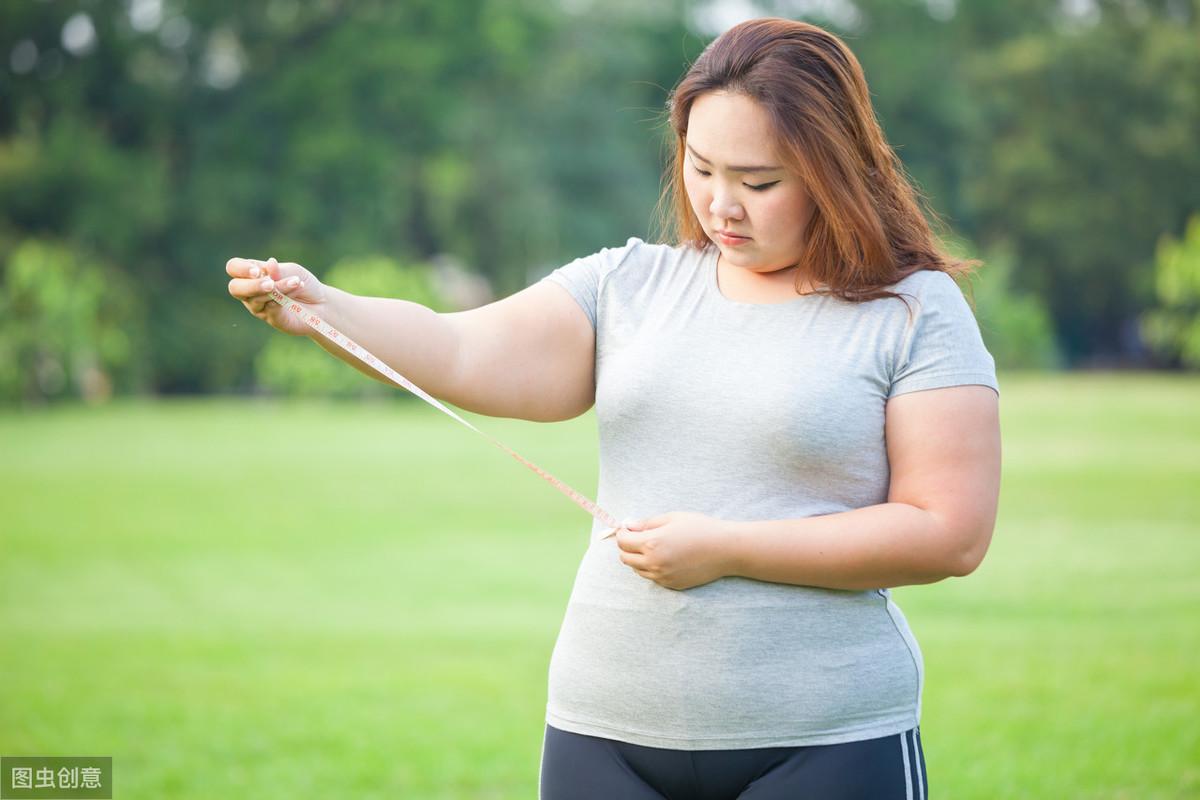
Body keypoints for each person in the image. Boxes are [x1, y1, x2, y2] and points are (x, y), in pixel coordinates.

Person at [226, 16, 999, 799]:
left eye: (758, 182)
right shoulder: (628, 285)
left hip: (827, 743)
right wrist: (322, 307)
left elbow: (948, 532)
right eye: (701, 169)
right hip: (603, 739)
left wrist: (730, 549)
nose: (720, 205)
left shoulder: (914, 311)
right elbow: (455, 347)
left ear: (833, 170)